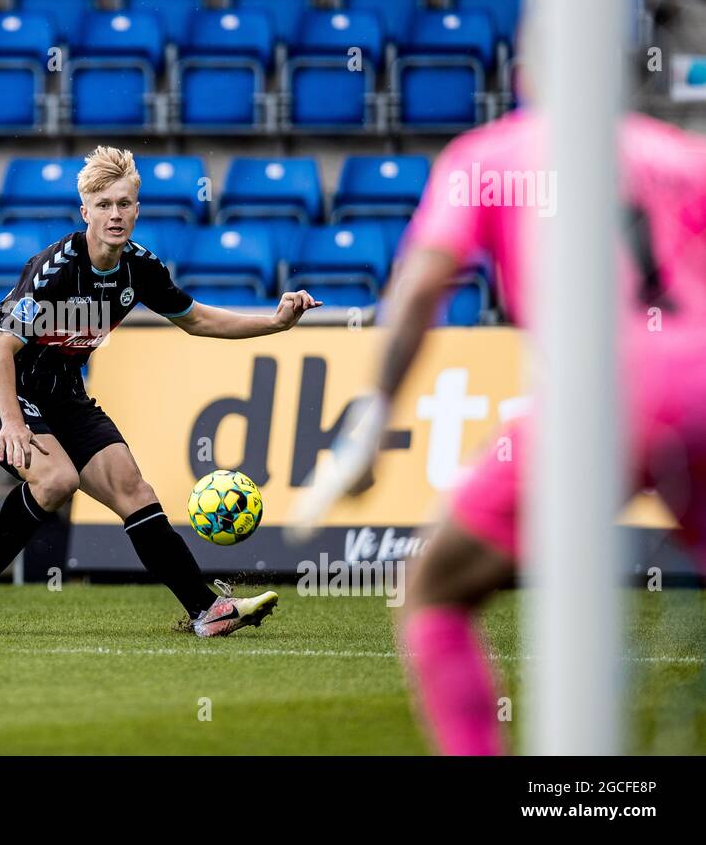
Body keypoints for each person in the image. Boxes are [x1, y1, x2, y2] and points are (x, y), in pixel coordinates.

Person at [289, 105, 706, 754]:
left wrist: (372, 420)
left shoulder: (488, 156)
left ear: (524, 72)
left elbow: (424, 283)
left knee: (436, 591)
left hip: (599, 396)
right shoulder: (681, 154)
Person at [0, 146, 321, 637]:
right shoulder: (55, 269)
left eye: (124, 203)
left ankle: (206, 611)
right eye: (103, 205)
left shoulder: (139, 267)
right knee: (56, 482)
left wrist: (275, 324)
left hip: (63, 393)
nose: (115, 215)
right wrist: (12, 422)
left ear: (137, 208)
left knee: (133, 490)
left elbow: (197, 319)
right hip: (5, 388)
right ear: (85, 212)